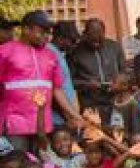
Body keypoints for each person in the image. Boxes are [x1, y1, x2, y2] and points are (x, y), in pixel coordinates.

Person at [0, 11, 82, 152]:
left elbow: (57, 89)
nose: (46, 36)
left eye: (48, 33)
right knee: (18, 166)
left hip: (43, 125)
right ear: (26, 29)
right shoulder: (5, 51)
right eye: (42, 32)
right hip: (15, 124)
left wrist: (75, 115)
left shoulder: (51, 55)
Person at [69, 18, 126, 124]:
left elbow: (124, 70)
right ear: (85, 34)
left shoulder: (114, 47)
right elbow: (69, 81)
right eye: (92, 37)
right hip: (90, 103)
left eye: (99, 38)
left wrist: (120, 80)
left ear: (104, 33)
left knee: (117, 133)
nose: (96, 42)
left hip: (114, 101)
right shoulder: (76, 52)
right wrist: (87, 84)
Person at [48, 21, 80, 127]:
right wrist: (67, 116)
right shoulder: (49, 53)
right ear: (61, 38)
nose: (75, 45)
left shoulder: (59, 54)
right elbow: (52, 91)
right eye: (72, 41)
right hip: (58, 119)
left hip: (66, 117)